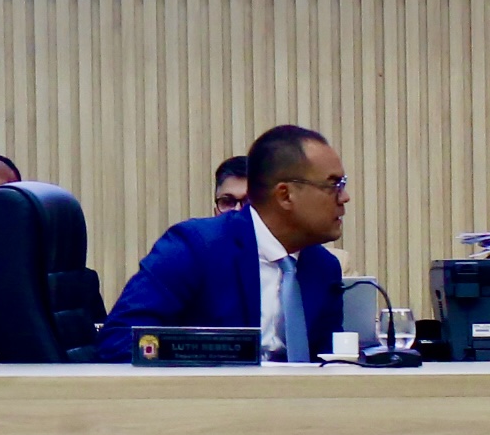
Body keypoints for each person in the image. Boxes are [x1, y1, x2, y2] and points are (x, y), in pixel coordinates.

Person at [98, 125, 349, 363]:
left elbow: (326, 363)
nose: (344, 197)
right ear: (285, 195)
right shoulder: (195, 248)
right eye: (334, 185)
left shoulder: (323, 267)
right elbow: (120, 342)